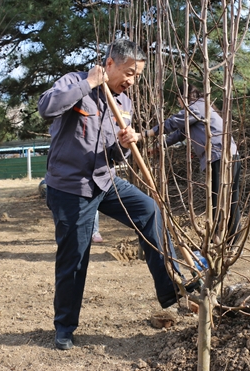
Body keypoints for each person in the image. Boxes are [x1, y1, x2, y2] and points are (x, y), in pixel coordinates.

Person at [38, 39, 184, 350]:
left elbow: (115, 155)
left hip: (105, 181)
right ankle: (64, 327)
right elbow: (46, 108)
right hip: (71, 187)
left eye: (137, 76)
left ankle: (171, 288)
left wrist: (125, 144)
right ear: (109, 64)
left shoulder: (125, 104)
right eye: (129, 73)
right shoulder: (74, 81)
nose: (132, 81)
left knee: (148, 210)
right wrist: (88, 84)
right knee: (74, 258)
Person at [144, 84, 242, 244]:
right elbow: (180, 133)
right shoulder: (202, 108)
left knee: (219, 200)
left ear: (183, 97)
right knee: (229, 199)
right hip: (229, 154)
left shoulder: (197, 107)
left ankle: (221, 241)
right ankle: (229, 241)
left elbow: (174, 122)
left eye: (178, 100)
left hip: (219, 156)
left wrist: (147, 133)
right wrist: (158, 148)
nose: (179, 105)